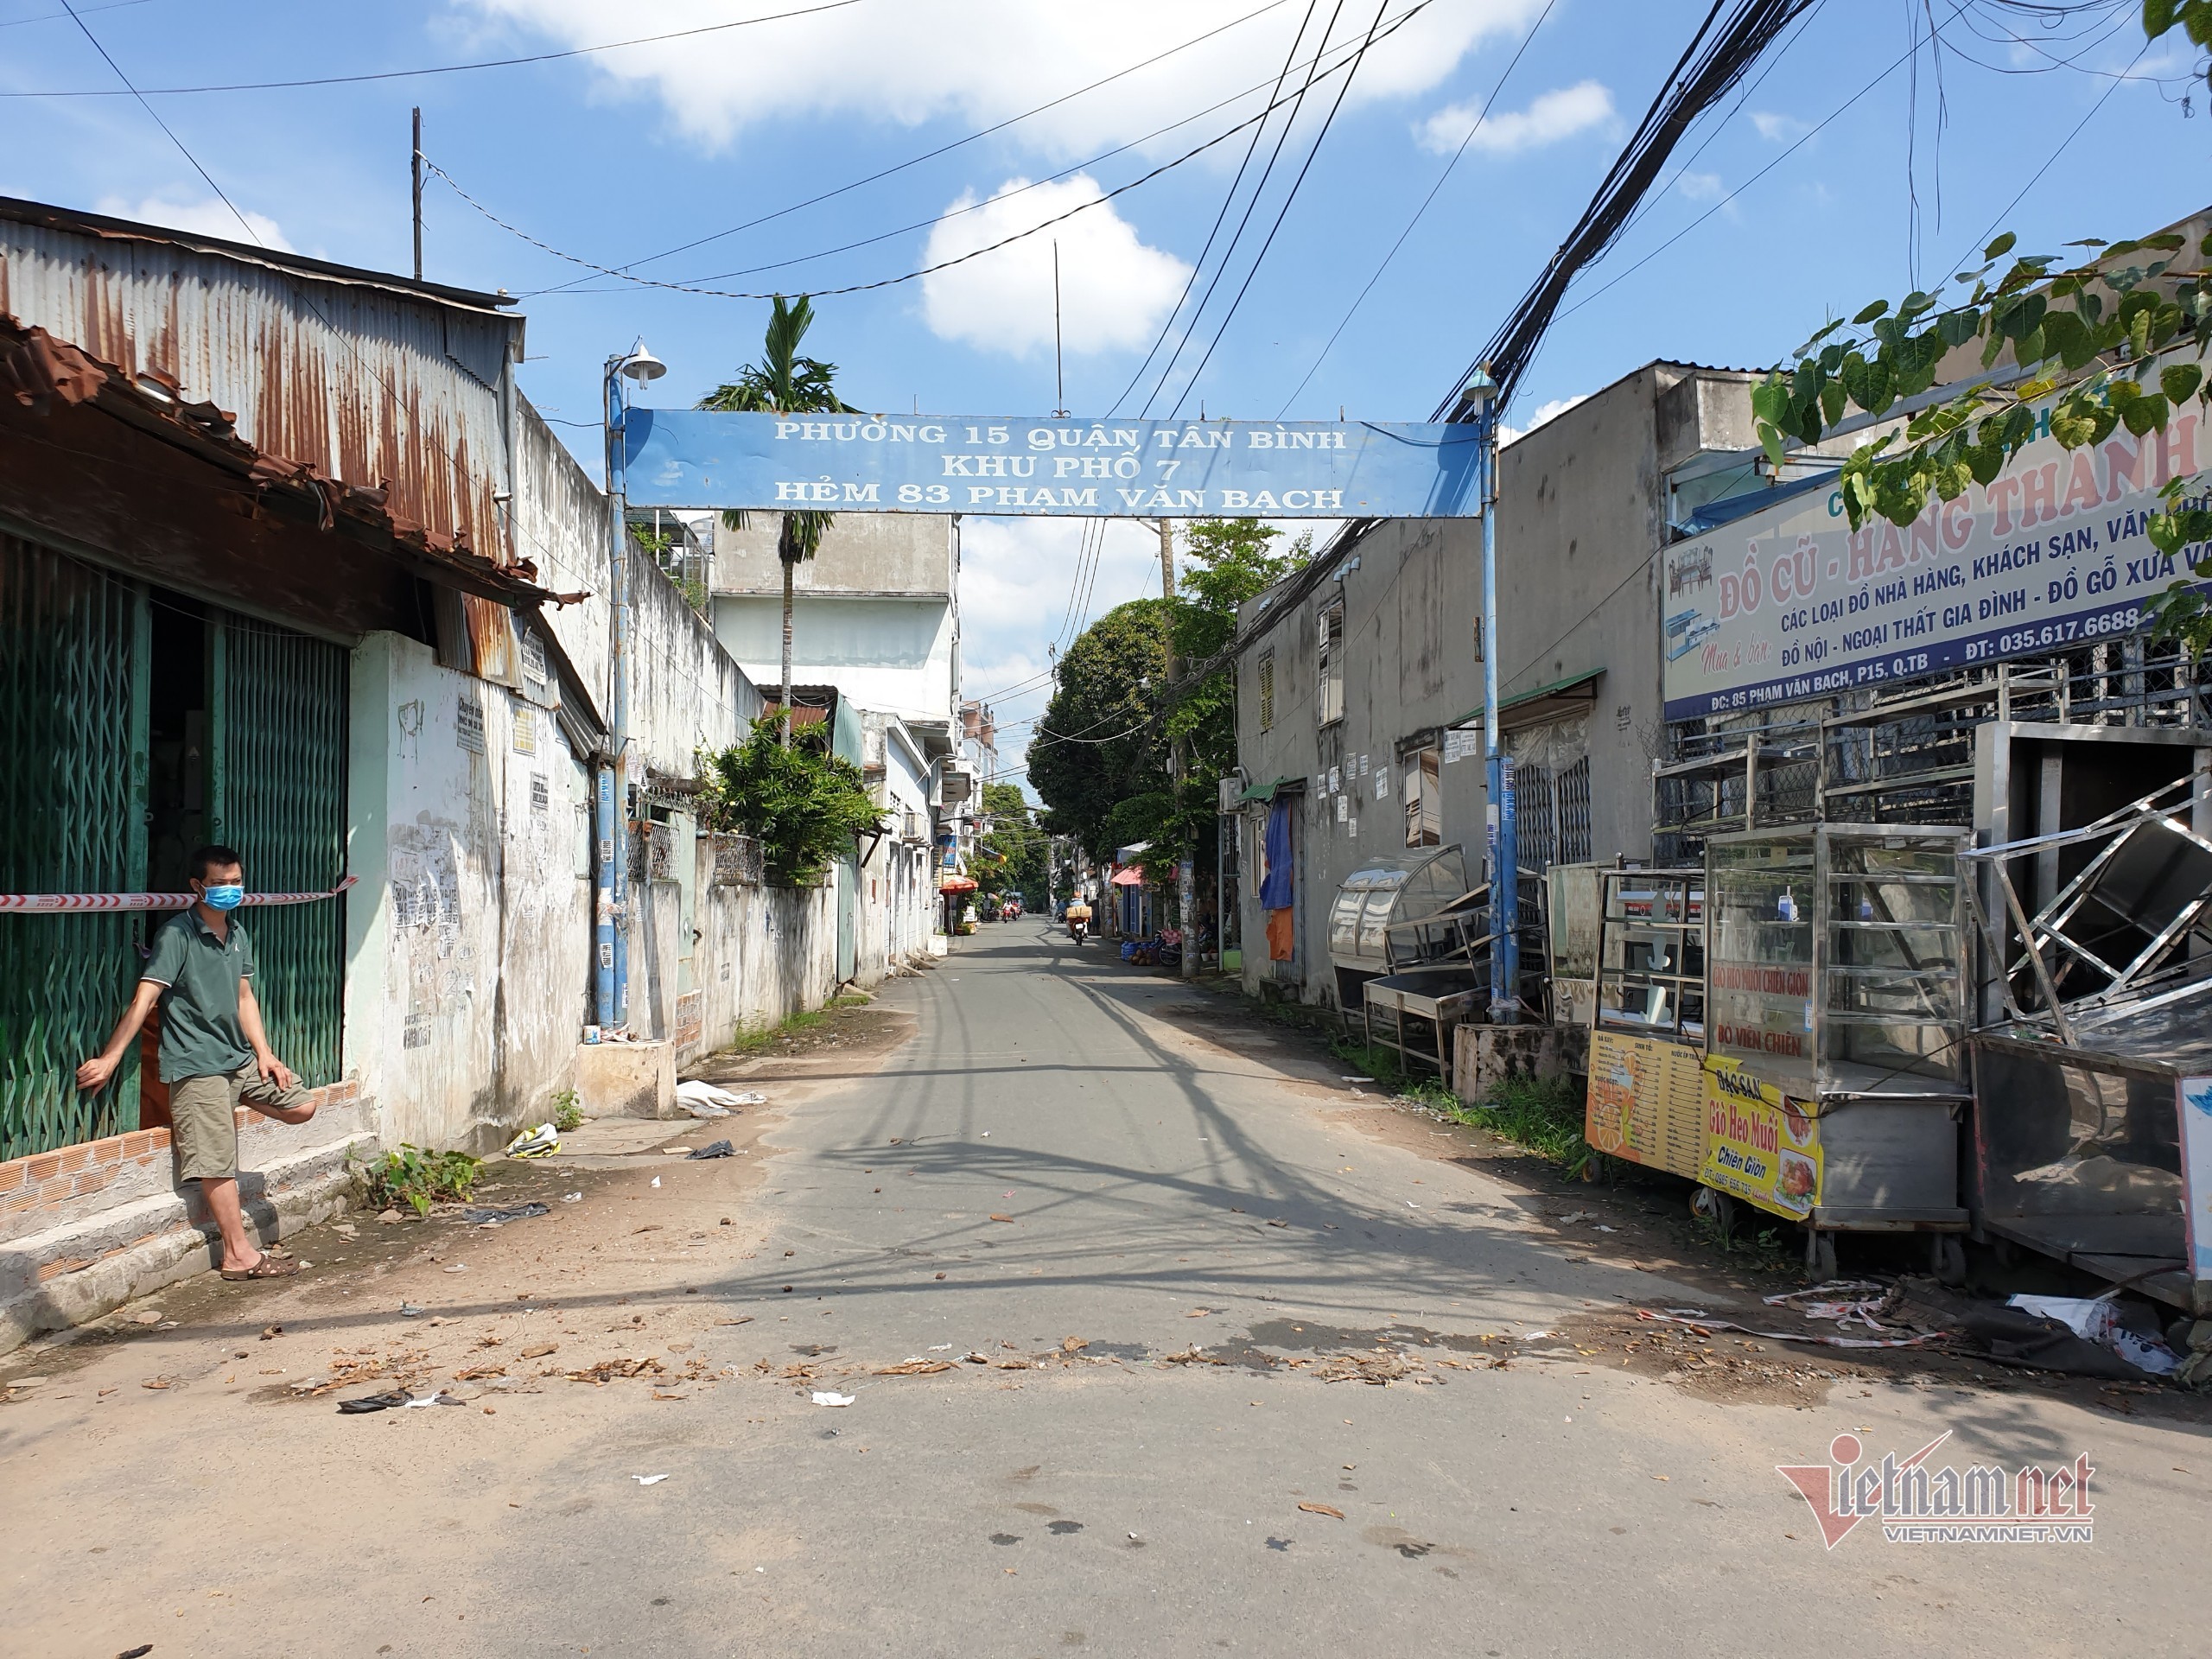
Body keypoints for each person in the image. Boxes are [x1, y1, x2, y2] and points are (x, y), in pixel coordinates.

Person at [75, 844, 317, 1281]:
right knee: (216, 1162)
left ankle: (215, 1117)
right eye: (221, 884)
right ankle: (238, 1255)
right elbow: (144, 998)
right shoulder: (177, 935)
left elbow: (245, 997)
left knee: (302, 1106)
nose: (230, 890)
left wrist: (265, 1053)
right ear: (197, 886)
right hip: (195, 1065)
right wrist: (110, 1058)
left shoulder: (238, 934)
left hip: (238, 1059)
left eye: (236, 882)